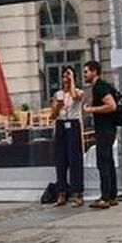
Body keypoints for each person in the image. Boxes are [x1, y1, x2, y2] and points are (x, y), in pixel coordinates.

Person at [85, 60, 121, 209]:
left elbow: (111, 105)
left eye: (86, 71)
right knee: (108, 161)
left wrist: (92, 109)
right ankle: (112, 195)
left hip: (105, 130)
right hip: (108, 129)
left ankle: (105, 197)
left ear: (94, 72)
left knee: (103, 162)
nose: (85, 74)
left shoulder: (100, 87)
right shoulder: (101, 86)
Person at [49, 66, 85, 206]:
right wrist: (57, 107)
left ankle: (78, 193)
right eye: (64, 76)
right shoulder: (58, 94)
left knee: (74, 158)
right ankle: (62, 192)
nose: (66, 79)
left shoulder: (78, 92)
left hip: (73, 124)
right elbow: (52, 116)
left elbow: (75, 97)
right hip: (60, 125)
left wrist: (72, 81)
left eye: (68, 76)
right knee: (61, 159)